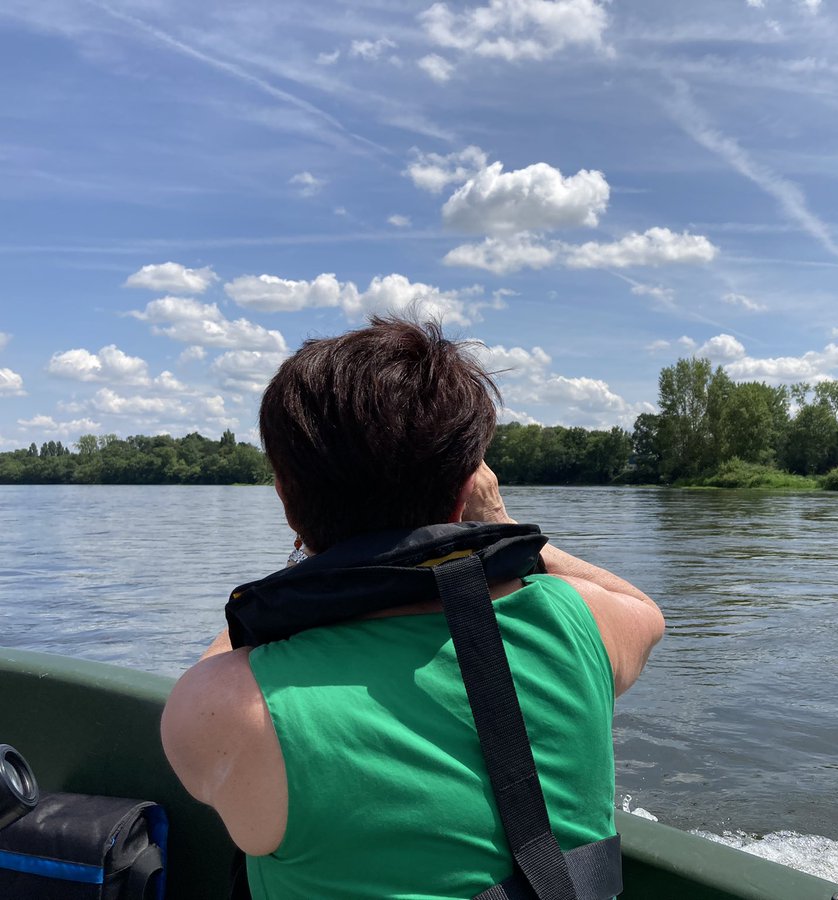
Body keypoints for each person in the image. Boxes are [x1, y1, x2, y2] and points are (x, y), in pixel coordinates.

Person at [160, 318, 664, 899]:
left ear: (284, 498)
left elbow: (216, 670)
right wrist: (498, 523)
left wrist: (296, 584)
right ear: (465, 490)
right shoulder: (578, 622)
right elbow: (643, 610)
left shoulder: (229, 705)